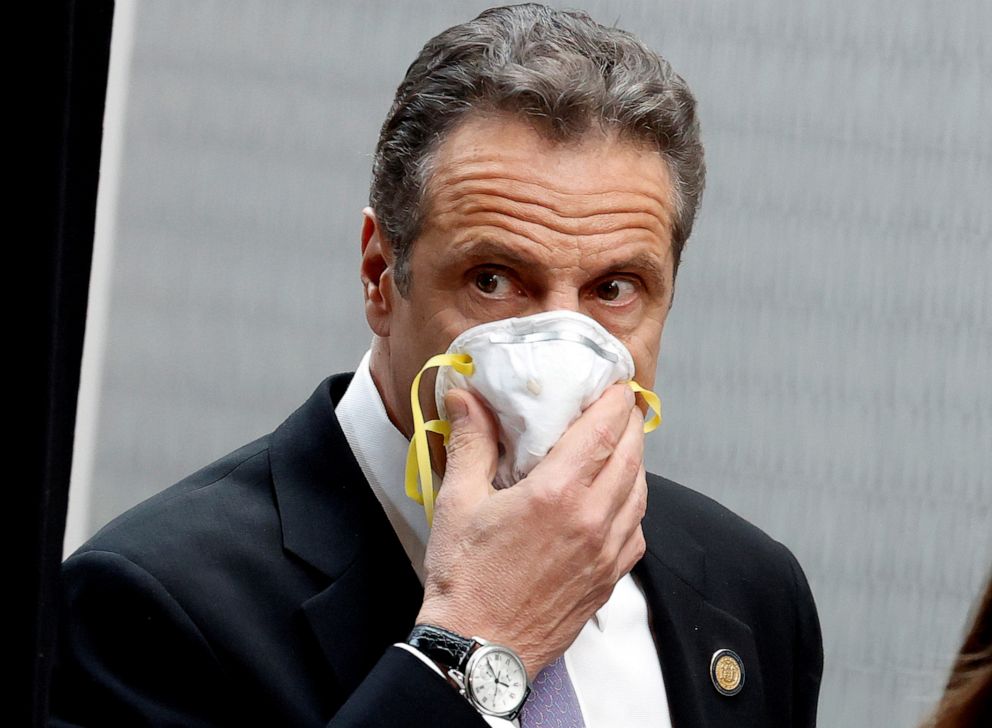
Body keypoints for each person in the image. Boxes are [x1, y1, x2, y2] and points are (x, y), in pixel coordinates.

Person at [50, 4, 823, 726]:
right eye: (493, 279)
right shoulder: (148, 607)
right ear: (380, 277)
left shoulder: (749, 591)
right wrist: (472, 643)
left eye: (614, 288)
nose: (555, 353)